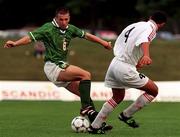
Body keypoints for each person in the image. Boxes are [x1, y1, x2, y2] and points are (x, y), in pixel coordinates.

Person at [4, 7, 112, 126]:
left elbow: (87, 36)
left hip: (61, 66)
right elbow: (30, 37)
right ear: (56, 18)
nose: (64, 22)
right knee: (86, 75)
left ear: (69, 18)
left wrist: (104, 43)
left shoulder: (70, 29)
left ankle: (95, 125)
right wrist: (15, 44)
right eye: (61, 19)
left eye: (66, 19)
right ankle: (85, 108)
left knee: (84, 95)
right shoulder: (48, 28)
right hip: (53, 66)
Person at [88, 11, 167, 134]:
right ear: (162, 24)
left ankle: (94, 126)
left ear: (150, 17)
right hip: (125, 68)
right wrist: (146, 55)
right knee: (153, 90)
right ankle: (126, 115)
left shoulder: (136, 25)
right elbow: (144, 40)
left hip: (114, 64)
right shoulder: (151, 28)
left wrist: (136, 61)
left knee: (117, 97)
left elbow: (126, 42)